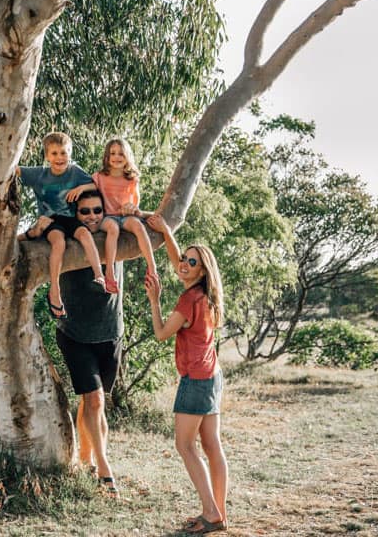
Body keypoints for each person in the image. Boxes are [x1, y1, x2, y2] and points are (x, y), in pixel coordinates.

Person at [24, 190, 123, 496]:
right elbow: (28, 239)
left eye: (97, 210)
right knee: (93, 400)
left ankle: (85, 458)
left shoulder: (117, 235)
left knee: (95, 402)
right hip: (75, 333)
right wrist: (36, 227)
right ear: (74, 215)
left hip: (111, 333)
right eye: (84, 212)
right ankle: (104, 469)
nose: (92, 216)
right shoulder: (64, 242)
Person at [144, 214, 229, 534]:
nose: (183, 263)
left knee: (185, 445)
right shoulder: (206, 295)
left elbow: (162, 333)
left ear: (201, 270)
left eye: (191, 262)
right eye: (183, 258)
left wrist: (155, 300)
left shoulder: (188, 298)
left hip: (196, 379)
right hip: (212, 376)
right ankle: (218, 512)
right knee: (211, 445)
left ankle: (211, 513)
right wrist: (166, 232)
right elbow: (177, 261)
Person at [17, 131, 106, 319]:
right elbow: (13, 170)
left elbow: (97, 185)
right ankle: (54, 291)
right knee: (59, 243)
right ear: (47, 156)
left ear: (70, 153)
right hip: (49, 220)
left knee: (85, 235)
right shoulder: (39, 174)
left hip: (70, 218)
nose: (59, 157)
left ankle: (99, 276)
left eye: (64, 153)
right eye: (54, 153)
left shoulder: (75, 172)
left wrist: (82, 187)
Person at [92, 138, 157, 294]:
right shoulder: (99, 177)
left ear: (127, 156)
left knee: (138, 226)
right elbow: (91, 198)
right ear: (107, 157)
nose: (116, 157)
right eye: (112, 153)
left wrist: (130, 209)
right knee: (113, 229)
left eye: (121, 153)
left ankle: (152, 266)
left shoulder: (132, 180)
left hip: (124, 217)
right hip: (106, 218)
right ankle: (109, 272)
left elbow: (135, 204)